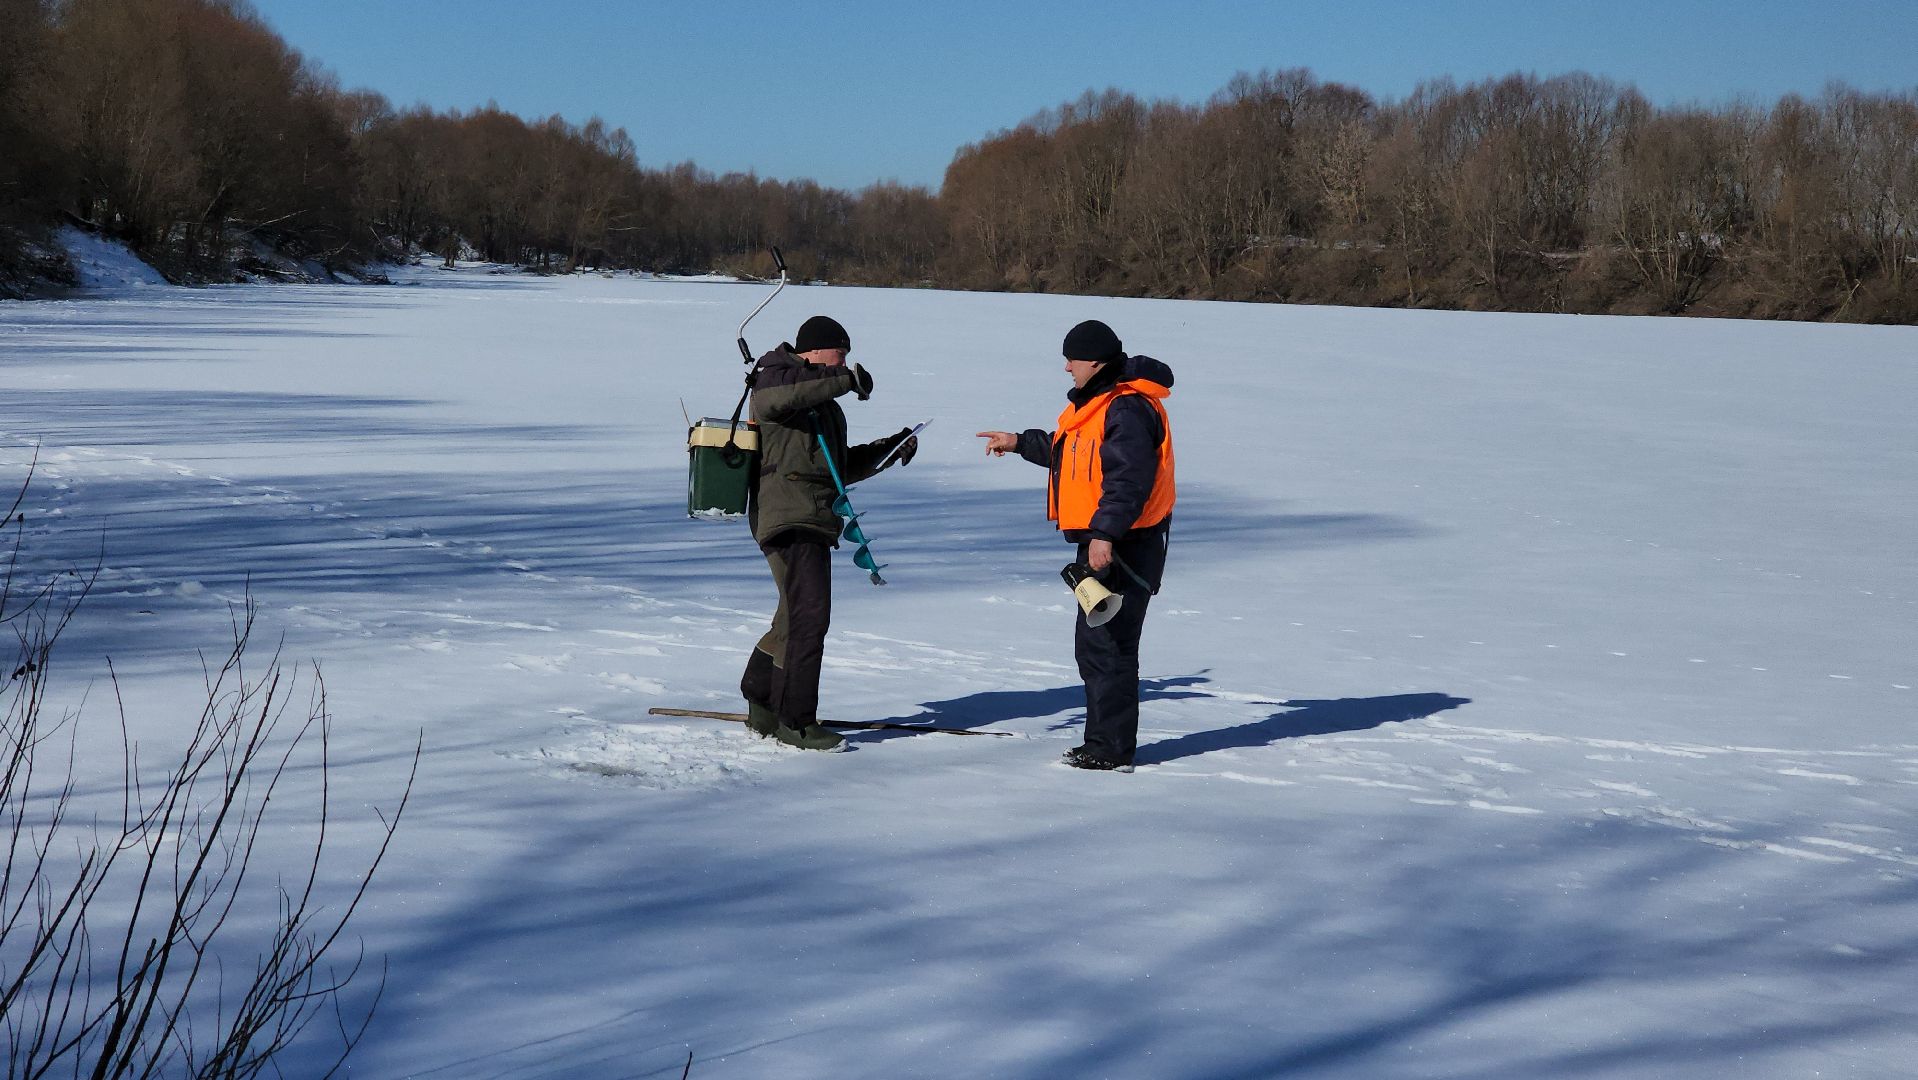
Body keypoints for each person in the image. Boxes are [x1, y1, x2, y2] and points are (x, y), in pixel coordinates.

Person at [977, 319, 1174, 772]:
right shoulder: (1100, 405)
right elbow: (1073, 456)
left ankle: (1110, 750)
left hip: (1125, 543)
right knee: (1099, 644)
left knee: (1108, 644)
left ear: (1095, 362)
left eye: (1073, 359)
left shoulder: (1125, 409)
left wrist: (1104, 535)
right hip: (1107, 540)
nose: (1067, 367)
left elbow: (1128, 481)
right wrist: (1019, 442)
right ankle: (1104, 743)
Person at [739, 315, 918, 751]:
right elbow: (783, 397)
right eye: (840, 353)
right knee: (810, 618)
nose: (845, 361)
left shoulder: (824, 405)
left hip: (813, 516)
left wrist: (889, 449)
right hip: (788, 517)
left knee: (792, 617)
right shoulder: (773, 377)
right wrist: (844, 379)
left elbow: (836, 469)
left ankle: (761, 701)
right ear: (814, 351)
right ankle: (797, 722)